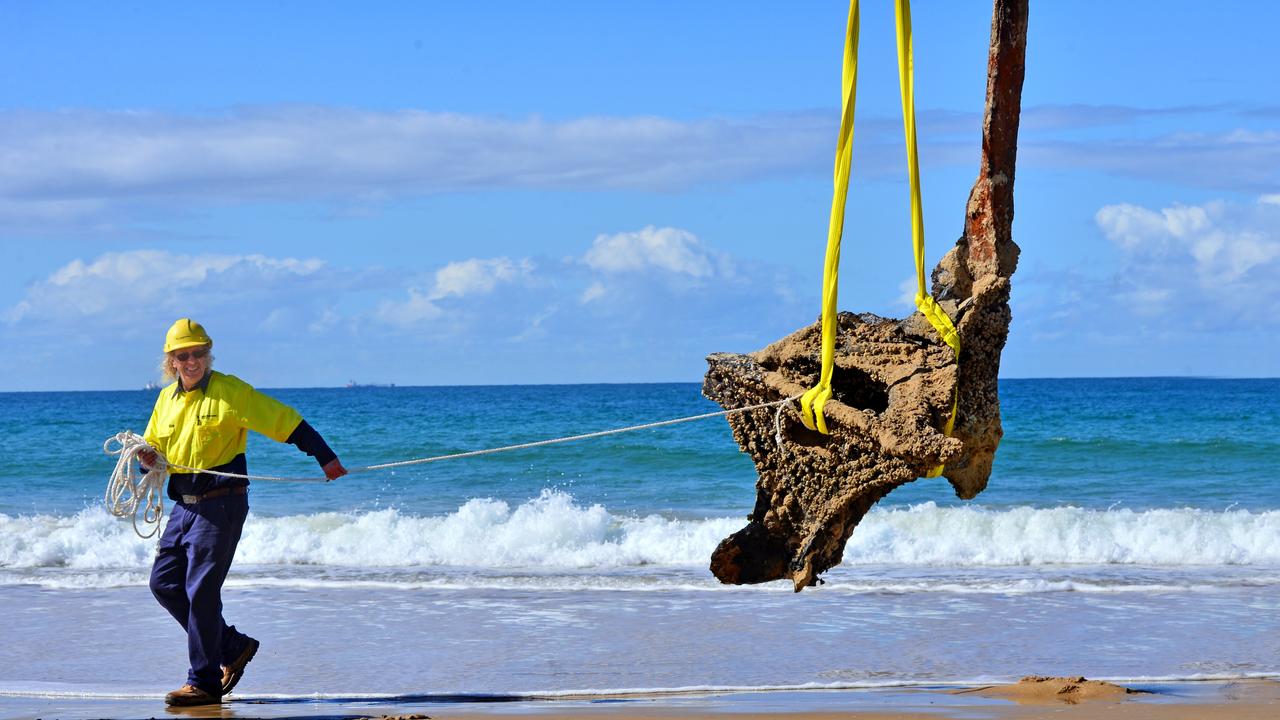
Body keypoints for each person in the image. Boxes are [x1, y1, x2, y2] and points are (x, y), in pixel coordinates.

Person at [139, 318, 347, 707]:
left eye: (199, 353)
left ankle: (203, 683)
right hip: (182, 507)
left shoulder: (230, 392)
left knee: (201, 591)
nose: (192, 361)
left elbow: (284, 421)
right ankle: (232, 646)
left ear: (207, 354)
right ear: (171, 361)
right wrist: (146, 461)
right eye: (183, 356)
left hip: (222, 504)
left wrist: (326, 457)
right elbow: (153, 453)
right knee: (164, 584)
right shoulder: (166, 399)